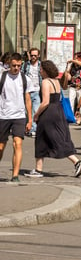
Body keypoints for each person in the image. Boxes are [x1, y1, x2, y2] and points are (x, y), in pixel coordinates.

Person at [25, 60, 81, 178]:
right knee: (53, 138)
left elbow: (45, 101)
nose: (40, 71)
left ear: (46, 71)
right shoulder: (56, 81)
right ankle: (39, 168)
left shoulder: (46, 82)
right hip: (58, 111)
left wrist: (36, 114)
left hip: (49, 113)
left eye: (41, 69)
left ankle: (76, 161)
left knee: (47, 139)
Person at [0, 53, 32, 182]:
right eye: (14, 65)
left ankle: (15, 175)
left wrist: (29, 119)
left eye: (19, 65)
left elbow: (28, 99)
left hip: (19, 116)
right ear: (8, 64)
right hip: (3, 115)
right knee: (1, 146)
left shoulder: (25, 79)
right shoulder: (2, 77)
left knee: (17, 143)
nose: (16, 68)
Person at [22, 47, 41, 138]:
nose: (33, 57)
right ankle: (28, 127)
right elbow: (21, 75)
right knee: (26, 111)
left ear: (38, 56)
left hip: (37, 90)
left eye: (35, 55)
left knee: (35, 110)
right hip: (27, 91)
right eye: (32, 55)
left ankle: (34, 129)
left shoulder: (41, 65)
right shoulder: (26, 65)